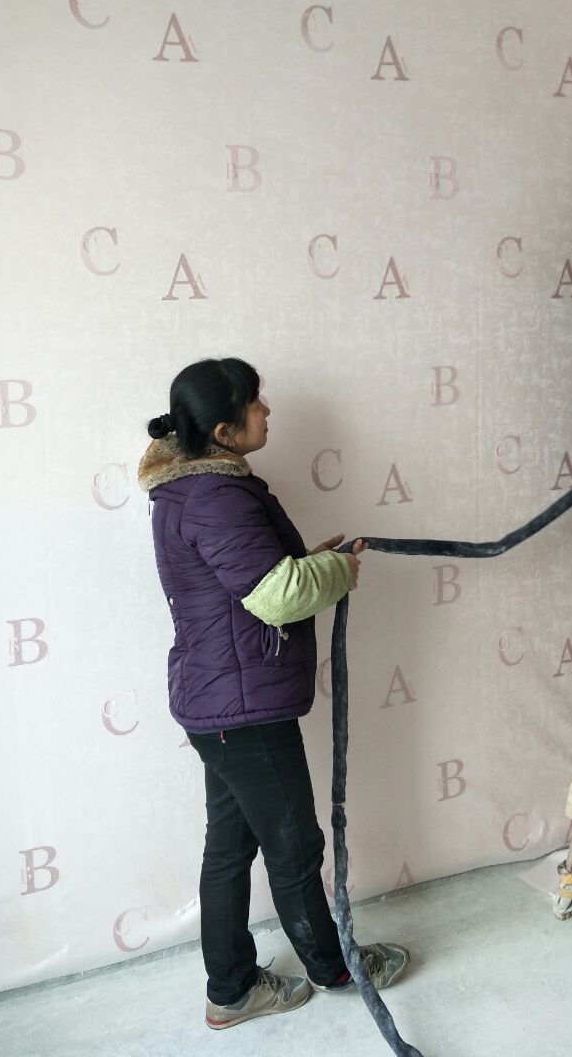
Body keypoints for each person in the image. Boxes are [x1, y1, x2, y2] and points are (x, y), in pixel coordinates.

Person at [139, 357, 409, 1029]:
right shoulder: (217, 496)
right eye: (255, 403)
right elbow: (278, 596)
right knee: (294, 846)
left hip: (218, 702)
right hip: (243, 708)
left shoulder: (189, 490)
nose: (268, 411)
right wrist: (335, 572)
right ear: (224, 431)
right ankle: (335, 968)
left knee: (230, 848)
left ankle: (231, 990)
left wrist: (312, 564)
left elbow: (252, 580)